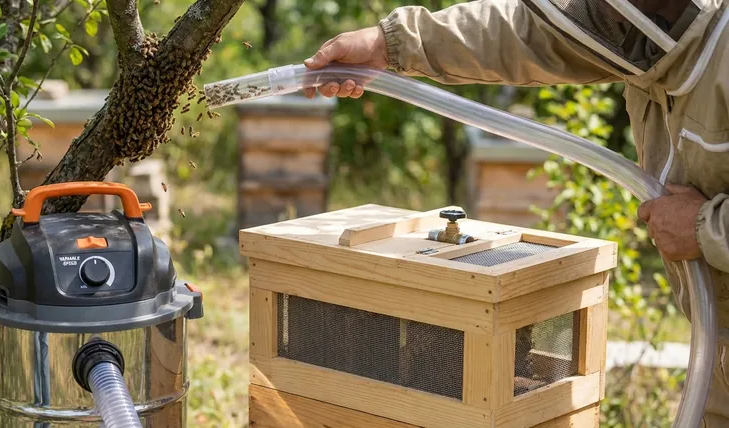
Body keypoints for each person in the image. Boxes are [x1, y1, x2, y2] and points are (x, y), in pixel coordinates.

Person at [303, 0, 729, 424]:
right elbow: (525, 33)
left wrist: (702, 226)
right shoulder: (641, 30)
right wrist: (388, 43)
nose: (597, 6)